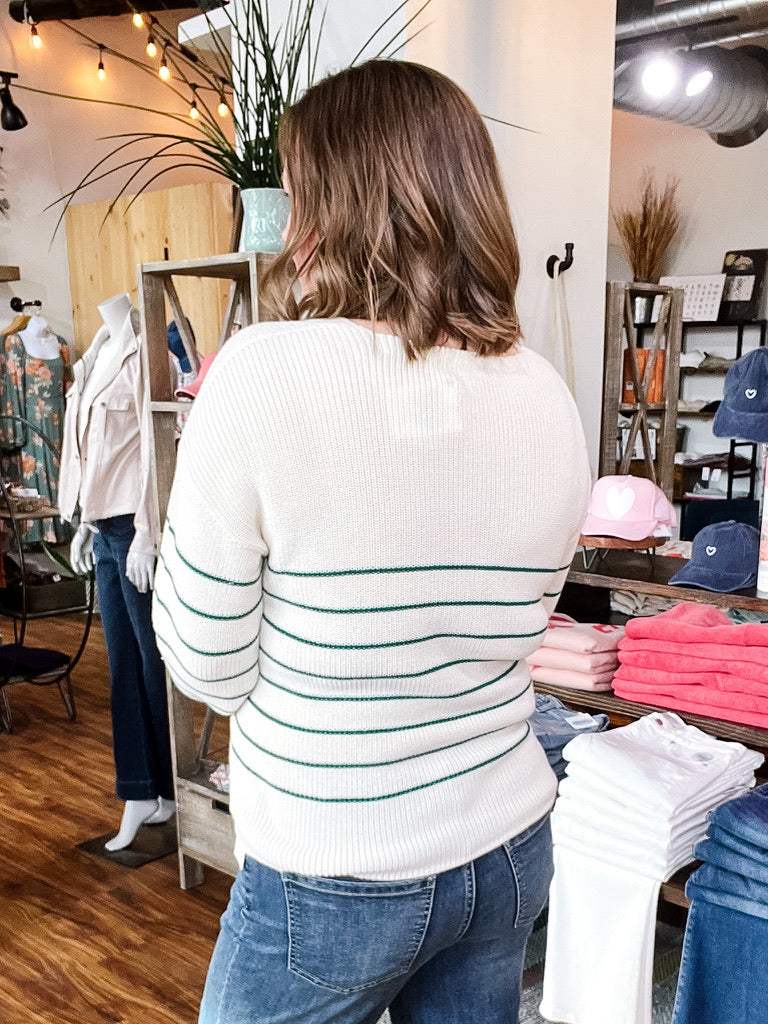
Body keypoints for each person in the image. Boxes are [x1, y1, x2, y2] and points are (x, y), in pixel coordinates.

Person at [152, 60, 591, 1024]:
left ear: (327, 210)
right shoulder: (547, 392)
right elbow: (505, 627)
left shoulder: (264, 375)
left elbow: (205, 667)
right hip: (508, 843)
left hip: (336, 864)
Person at [59, 293, 175, 852]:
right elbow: (88, 451)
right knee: (122, 665)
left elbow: (159, 449)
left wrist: (150, 533)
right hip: (104, 528)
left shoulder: (149, 355)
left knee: (152, 663)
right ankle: (145, 790)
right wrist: (83, 521)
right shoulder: (94, 356)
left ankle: (158, 788)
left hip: (134, 528)